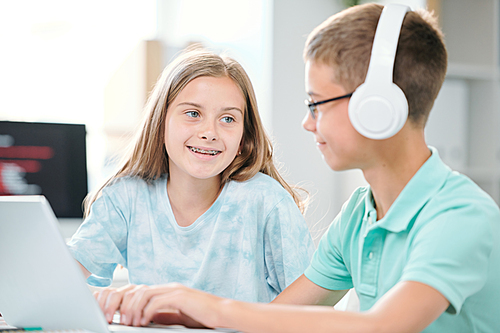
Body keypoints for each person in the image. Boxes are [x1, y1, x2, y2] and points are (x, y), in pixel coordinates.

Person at [101, 3, 500, 332]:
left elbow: (385, 327)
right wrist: (164, 307)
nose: (307, 122)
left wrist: (204, 304)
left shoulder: (460, 216)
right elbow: (284, 318)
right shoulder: (360, 215)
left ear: (377, 109)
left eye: (316, 104)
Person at [67, 47, 315, 322]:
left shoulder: (266, 201)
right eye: (193, 113)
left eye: (228, 118)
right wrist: (104, 299)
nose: (209, 132)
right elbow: (61, 281)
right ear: (161, 123)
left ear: (244, 138)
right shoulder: (126, 197)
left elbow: (307, 313)